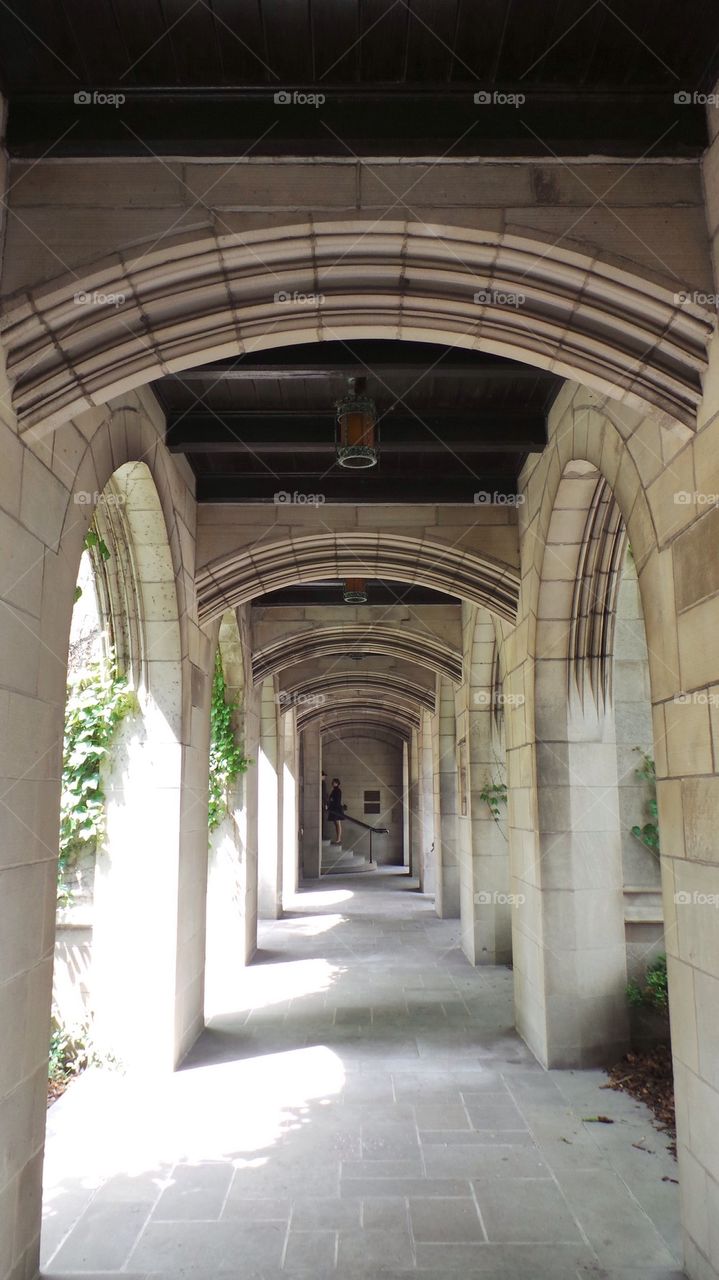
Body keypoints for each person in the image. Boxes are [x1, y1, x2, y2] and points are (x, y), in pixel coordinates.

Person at [326, 777, 344, 845]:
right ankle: (338, 838)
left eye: (334, 782)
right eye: (333, 782)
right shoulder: (335, 790)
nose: (332, 783)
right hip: (334, 809)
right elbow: (331, 799)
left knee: (337, 824)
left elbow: (336, 800)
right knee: (336, 824)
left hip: (336, 809)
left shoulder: (338, 790)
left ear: (337, 783)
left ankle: (338, 839)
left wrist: (331, 800)